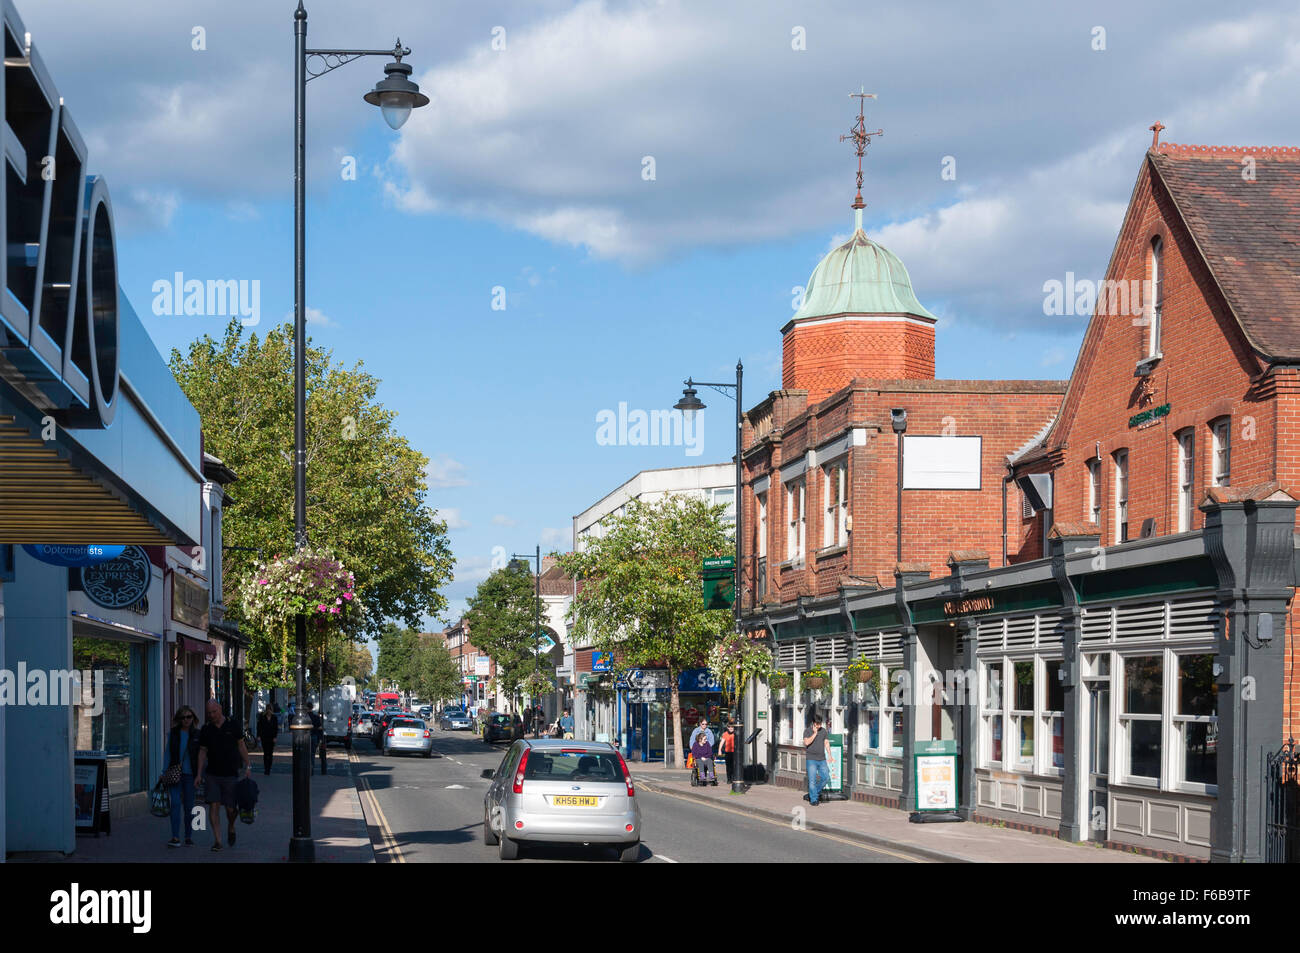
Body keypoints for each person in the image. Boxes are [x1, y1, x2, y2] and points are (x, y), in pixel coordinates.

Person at [195, 699, 250, 851]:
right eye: (209, 713)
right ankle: (218, 841)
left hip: (231, 773)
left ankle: (231, 826)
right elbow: (202, 751)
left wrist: (248, 764)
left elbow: (241, 745)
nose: (212, 715)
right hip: (212, 774)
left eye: (214, 711)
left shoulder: (233, 724)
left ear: (220, 708)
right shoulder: (206, 729)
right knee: (214, 805)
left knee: (230, 809)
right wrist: (199, 774)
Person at [165, 705, 201, 847]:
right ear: (179, 719)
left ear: (193, 718)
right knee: (175, 804)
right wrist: (163, 772)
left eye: (189, 717)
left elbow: (202, 756)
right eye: (183, 717)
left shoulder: (198, 734)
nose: (186, 720)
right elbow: (167, 753)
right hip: (175, 774)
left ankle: (188, 836)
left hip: (190, 775)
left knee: (189, 807)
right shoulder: (173, 733)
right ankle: (175, 837)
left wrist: (200, 774)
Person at [803, 713, 830, 806]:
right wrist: (815, 733)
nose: (819, 726)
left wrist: (830, 755)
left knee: (826, 777)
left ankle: (813, 793)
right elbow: (806, 743)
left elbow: (826, 743)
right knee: (812, 780)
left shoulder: (824, 731)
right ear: (813, 723)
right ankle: (814, 800)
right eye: (817, 724)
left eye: (820, 724)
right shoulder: (807, 731)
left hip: (822, 759)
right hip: (811, 759)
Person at [256, 703, 278, 776]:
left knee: (270, 753)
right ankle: (266, 768)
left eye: (270, 709)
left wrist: (275, 737)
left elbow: (276, 728)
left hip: (271, 737)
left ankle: (269, 767)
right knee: (266, 753)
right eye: (268, 709)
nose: (269, 711)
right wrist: (258, 736)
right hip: (264, 737)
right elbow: (259, 727)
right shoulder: (262, 717)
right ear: (266, 710)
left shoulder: (274, 717)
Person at [308, 702, 325, 775]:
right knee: (312, 755)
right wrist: (320, 739)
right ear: (312, 708)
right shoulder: (316, 717)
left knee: (305, 754)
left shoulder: (304, 717)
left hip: (305, 738)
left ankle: (307, 769)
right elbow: (320, 728)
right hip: (314, 737)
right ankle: (311, 770)